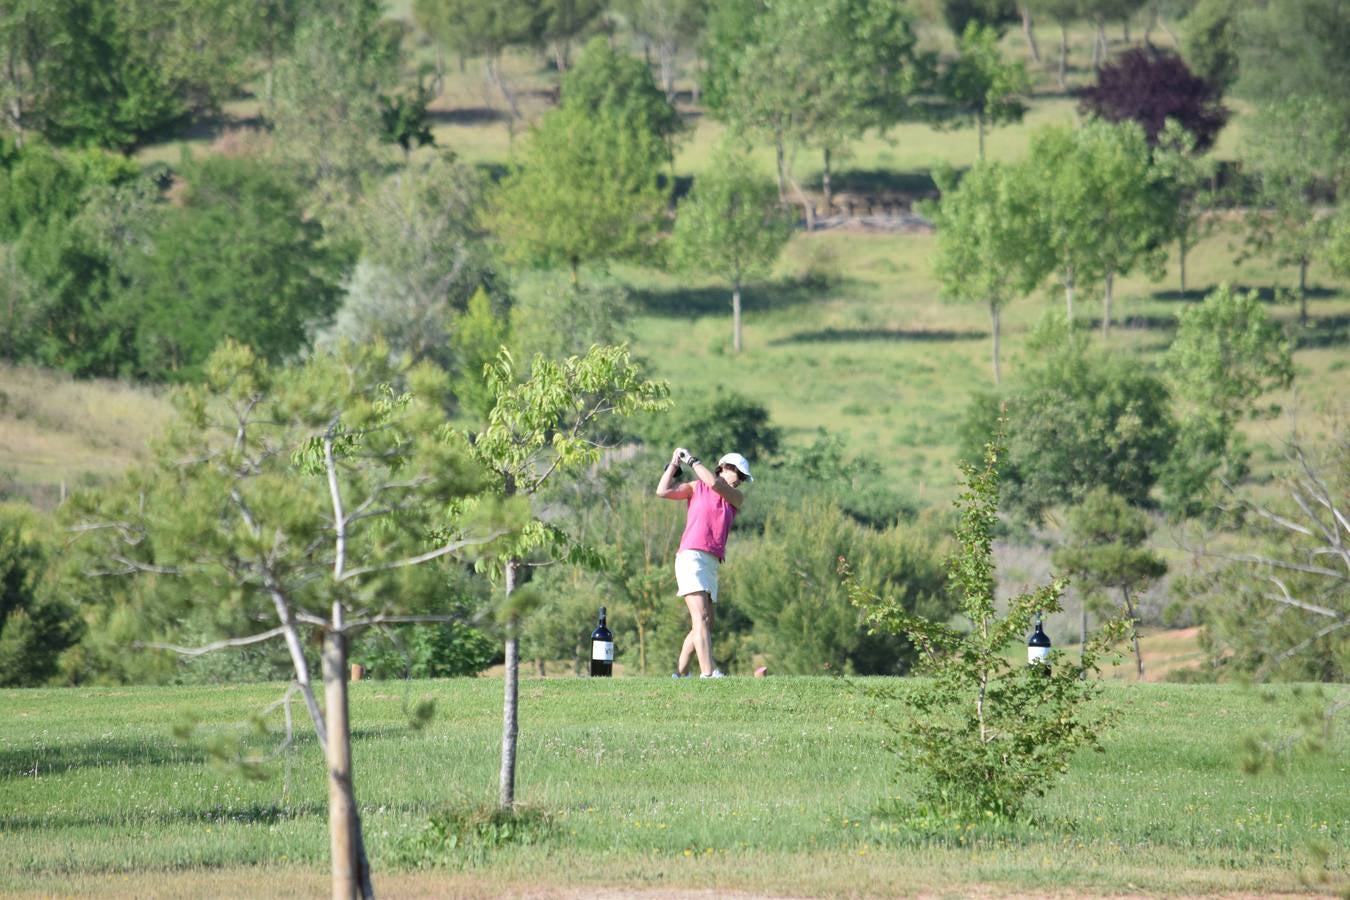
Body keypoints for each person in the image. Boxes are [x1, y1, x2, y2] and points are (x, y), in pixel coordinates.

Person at [655, 446, 752, 679]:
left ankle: (681, 673)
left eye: (743, 478)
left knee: (706, 622)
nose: (740, 481)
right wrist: (675, 464)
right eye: (738, 475)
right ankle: (708, 674)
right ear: (724, 468)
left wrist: (692, 460)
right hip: (691, 555)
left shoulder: (735, 498)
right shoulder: (695, 487)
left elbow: (716, 485)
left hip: (711, 561)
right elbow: (662, 491)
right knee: (699, 618)